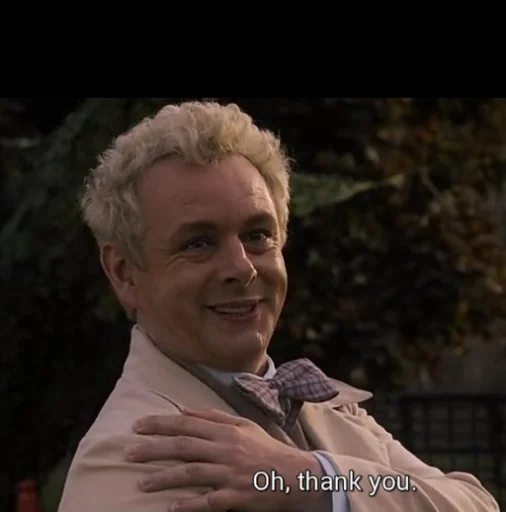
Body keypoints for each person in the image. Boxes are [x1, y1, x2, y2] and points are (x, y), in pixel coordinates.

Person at [57, 101, 499, 512]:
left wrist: (312, 479)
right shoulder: (129, 457)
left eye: (258, 235)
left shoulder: (326, 411)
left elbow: (475, 503)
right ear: (125, 273)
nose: (242, 268)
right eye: (198, 243)